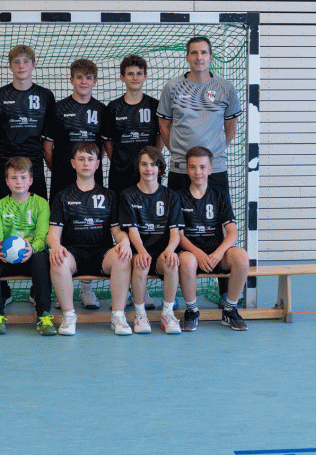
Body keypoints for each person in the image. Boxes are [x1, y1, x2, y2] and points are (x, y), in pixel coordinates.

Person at [158, 36, 242, 302]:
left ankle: (224, 291)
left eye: (204, 52)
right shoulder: (172, 87)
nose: (199, 57)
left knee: (218, 226)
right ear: (187, 57)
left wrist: (213, 156)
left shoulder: (225, 87)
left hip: (214, 170)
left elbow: (231, 126)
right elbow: (164, 124)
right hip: (180, 169)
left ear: (211, 57)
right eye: (194, 53)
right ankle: (176, 290)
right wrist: (178, 153)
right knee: (176, 228)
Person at [47, 142, 133, 336]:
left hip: (101, 253)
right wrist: (55, 245)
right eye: (81, 159)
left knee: (123, 257)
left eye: (90, 159)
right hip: (73, 254)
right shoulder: (62, 196)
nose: (86, 163)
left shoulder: (109, 195)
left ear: (97, 164)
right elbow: (53, 233)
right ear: (73, 163)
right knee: (58, 260)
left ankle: (118, 316)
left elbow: (117, 231)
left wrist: (125, 241)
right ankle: (69, 316)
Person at [45, 58, 107, 309]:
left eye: (88, 78)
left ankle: (86, 288)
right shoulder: (58, 108)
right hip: (63, 178)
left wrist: (91, 170)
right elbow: (47, 147)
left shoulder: (101, 110)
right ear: (71, 80)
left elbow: (106, 146)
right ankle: (62, 287)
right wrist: (60, 170)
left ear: (94, 81)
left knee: (90, 228)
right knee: (63, 230)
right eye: (79, 77)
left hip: (91, 179)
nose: (84, 82)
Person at [103, 55, 162, 309]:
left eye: (139, 73)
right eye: (130, 73)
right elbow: (108, 142)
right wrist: (119, 163)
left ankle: (141, 287)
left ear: (145, 77)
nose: (135, 77)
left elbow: (159, 140)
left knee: (144, 230)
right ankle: (123, 289)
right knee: (122, 231)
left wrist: (150, 164)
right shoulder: (113, 107)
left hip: (146, 179)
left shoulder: (154, 105)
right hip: (120, 177)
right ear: (122, 77)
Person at [0, 157, 54, 336]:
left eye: (23, 177)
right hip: (6, 257)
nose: (19, 182)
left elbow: (42, 237)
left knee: (43, 260)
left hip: (30, 256)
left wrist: (32, 249)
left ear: (31, 180)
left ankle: (43, 314)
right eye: (13, 178)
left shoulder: (41, 204)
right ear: (6, 181)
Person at [177, 147, 249, 331]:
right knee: (186, 260)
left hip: (216, 256)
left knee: (241, 256)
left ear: (210, 169)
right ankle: (192, 311)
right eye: (193, 167)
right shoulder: (178, 197)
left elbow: (232, 232)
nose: (198, 172)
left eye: (202, 167)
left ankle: (229, 310)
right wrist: (198, 253)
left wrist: (218, 253)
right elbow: (179, 235)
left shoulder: (220, 196)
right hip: (192, 254)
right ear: (187, 170)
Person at [119, 147, 185, 334]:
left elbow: (175, 233)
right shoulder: (128, 195)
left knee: (172, 262)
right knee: (141, 263)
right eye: (144, 164)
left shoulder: (171, 196)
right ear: (138, 167)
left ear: (160, 168)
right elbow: (132, 230)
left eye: (153, 164)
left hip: (162, 252)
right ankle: (140, 315)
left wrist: (170, 250)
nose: (148, 168)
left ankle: (167, 314)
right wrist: (141, 251)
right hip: (140, 251)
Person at [0, 45, 55, 201]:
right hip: (8, 163)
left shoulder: (46, 96)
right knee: (6, 211)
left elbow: (48, 137)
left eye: (25, 61)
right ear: (10, 66)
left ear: (33, 65)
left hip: (35, 164)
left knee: (38, 211)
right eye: (16, 62)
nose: (21, 66)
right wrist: (3, 159)